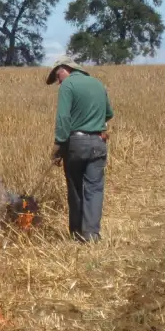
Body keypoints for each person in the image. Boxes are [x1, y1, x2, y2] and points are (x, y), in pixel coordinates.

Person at [45, 57, 114, 242]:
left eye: (58, 76)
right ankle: (91, 235)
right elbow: (109, 113)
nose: (58, 81)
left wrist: (58, 146)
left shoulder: (68, 86)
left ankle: (76, 234)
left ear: (65, 69)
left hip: (76, 143)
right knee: (94, 189)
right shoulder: (98, 84)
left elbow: (63, 119)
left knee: (75, 189)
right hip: (99, 143)